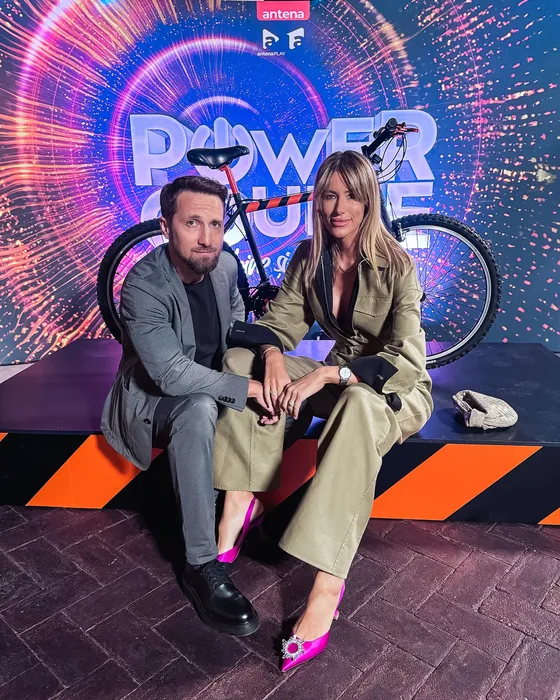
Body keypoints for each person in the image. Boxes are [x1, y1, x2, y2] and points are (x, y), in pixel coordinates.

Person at [213, 150, 433, 669]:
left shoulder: (398, 264)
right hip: (335, 377)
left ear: (369, 200)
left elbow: (405, 359)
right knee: (241, 359)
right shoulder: (310, 257)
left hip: (391, 390)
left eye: (351, 196)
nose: (339, 208)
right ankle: (241, 500)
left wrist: (328, 375)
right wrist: (272, 356)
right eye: (329, 196)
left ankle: (327, 587)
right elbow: (276, 325)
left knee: (355, 401)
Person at [101, 175, 266, 637]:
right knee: (197, 407)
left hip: (212, 386)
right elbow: (171, 375)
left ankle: (250, 507)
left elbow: (237, 324)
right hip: (154, 400)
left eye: (215, 224)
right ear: (165, 226)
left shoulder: (226, 265)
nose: (207, 237)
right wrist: (246, 389)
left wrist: (267, 360)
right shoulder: (143, 285)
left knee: (285, 392)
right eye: (192, 223)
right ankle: (200, 565)